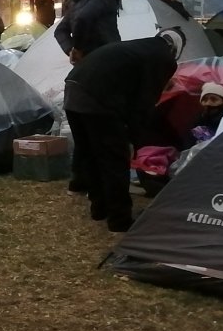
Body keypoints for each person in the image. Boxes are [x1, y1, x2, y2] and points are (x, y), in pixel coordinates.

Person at [63, 28, 184, 232]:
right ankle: (119, 219)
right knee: (114, 160)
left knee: (91, 154)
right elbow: (145, 100)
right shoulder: (164, 58)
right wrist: (136, 137)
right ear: (175, 49)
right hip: (97, 99)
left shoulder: (140, 47)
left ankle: (99, 207)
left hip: (73, 89)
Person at [54, 0, 138, 65]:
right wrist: (78, 49)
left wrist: (71, 50)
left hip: (89, 65)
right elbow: (83, 18)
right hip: (104, 60)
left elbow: (60, 30)